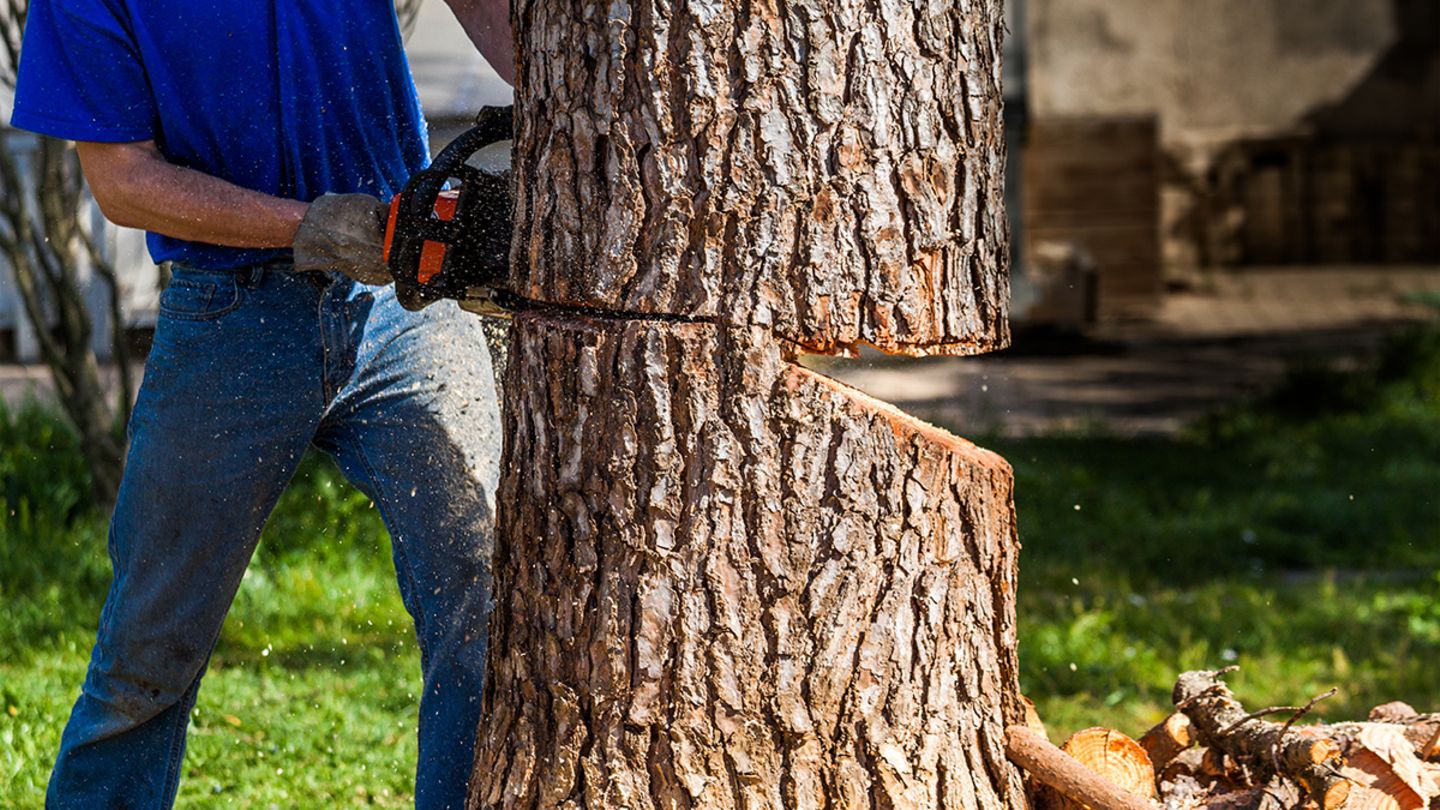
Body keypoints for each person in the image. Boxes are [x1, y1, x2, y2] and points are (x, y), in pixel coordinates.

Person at [9, 1, 513, 807]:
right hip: (226, 315)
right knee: (148, 651)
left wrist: (565, 81)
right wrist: (302, 224)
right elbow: (122, 182)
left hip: (404, 304)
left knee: (485, 597)